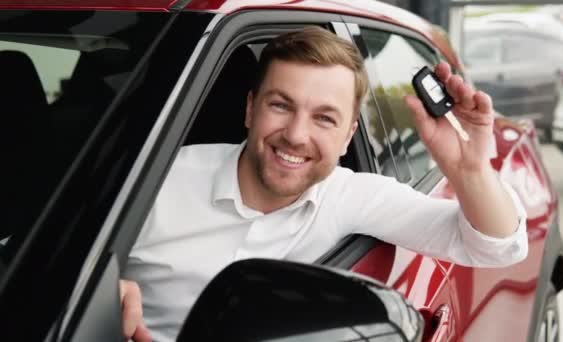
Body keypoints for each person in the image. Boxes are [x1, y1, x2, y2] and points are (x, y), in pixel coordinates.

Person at [120, 26, 528, 342]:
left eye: (324, 118)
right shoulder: (155, 181)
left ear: (349, 135)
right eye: (280, 105)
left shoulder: (351, 196)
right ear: (250, 109)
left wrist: (469, 171)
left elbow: (496, 247)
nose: (296, 135)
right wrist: (107, 292)